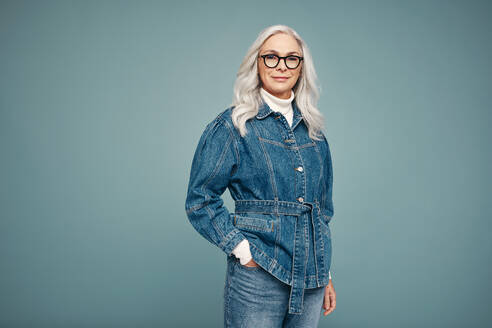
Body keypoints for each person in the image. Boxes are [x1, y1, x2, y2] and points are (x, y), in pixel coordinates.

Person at [185, 24, 336, 327]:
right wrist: (243, 252)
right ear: (257, 63)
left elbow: (321, 211)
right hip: (258, 277)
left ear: (301, 67)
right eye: (271, 57)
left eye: (291, 58)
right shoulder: (232, 126)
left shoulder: (314, 132)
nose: (281, 66)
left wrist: (325, 272)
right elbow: (200, 199)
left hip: (311, 282)